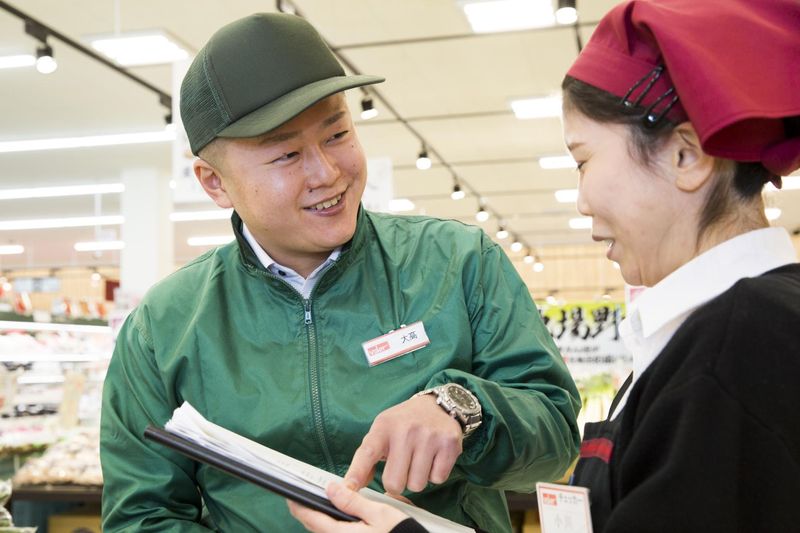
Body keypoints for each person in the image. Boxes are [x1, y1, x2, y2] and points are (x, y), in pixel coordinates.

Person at [289, 0, 800, 531]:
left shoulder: (744, 345)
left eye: (583, 160)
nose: (582, 201)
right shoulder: (722, 333)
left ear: (685, 156)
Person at [99, 12, 581, 533]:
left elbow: (555, 438)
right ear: (214, 182)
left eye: (337, 134)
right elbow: (142, 517)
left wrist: (465, 409)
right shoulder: (163, 327)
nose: (327, 173)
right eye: (287, 154)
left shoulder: (460, 262)